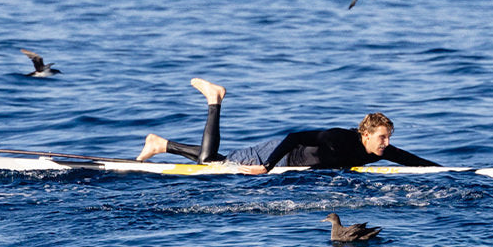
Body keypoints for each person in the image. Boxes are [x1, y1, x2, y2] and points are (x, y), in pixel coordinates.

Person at [136, 78, 441, 174]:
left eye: (388, 139)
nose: (386, 144)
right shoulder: (338, 138)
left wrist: (448, 171)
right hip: (277, 155)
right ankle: (214, 100)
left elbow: (410, 160)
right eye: (383, 138)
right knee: (209, 163)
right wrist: (266, 167)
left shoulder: (377, 151)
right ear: (365, 133)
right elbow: (294, 136)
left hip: (280, 161)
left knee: (216, 160)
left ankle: (160, 144)